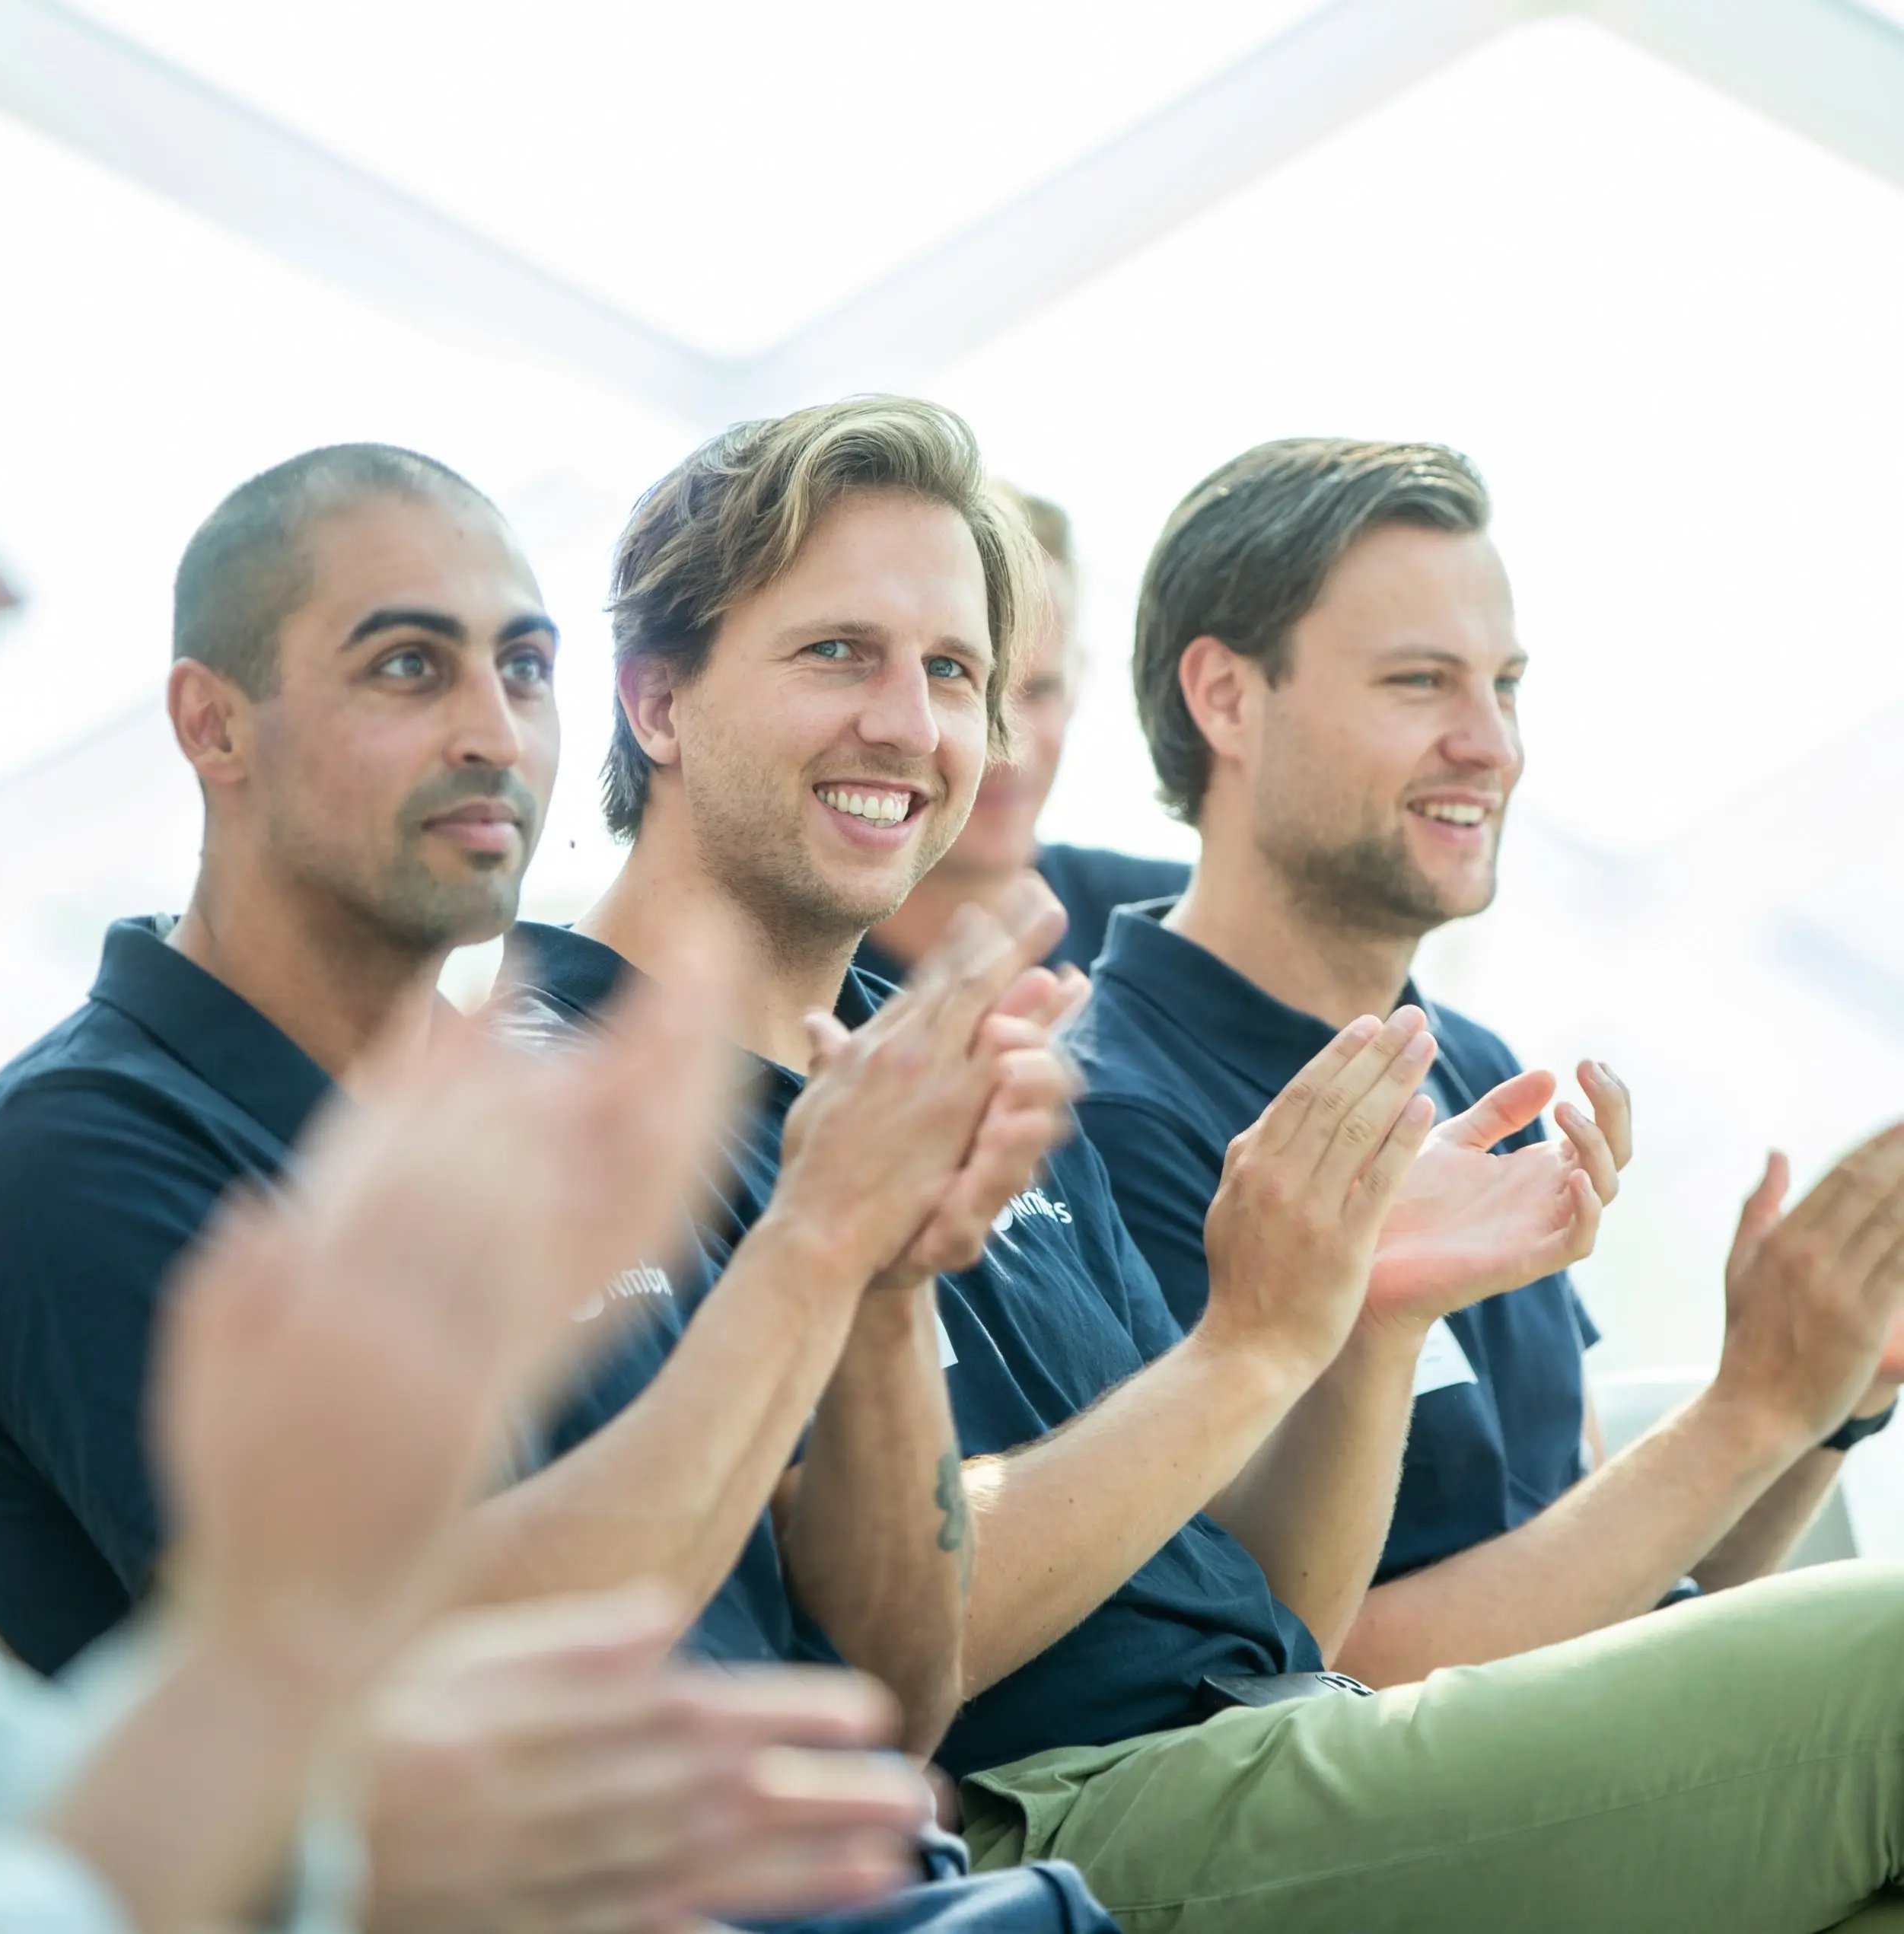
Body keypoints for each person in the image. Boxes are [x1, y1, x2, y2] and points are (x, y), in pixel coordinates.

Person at [524, 390, 1904, 1934]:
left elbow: (1274, 1628)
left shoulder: (971, 1066)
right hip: (1047, 1817)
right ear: (654, 701)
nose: (911, 723)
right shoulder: (545, 1103)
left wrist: (1350, 1317)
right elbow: (850, 1645)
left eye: (955, 673)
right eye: (837, 651)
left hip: (1254, 1747)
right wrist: (1255, 1345)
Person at [0, 513, 968, 1934]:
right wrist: (816, 1246)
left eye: (524, 667)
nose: (494, 733)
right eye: (405, 668)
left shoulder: (528, 1106)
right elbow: (383, 1683)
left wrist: (886, 1275)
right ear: (212, 724)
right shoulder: (66, 1151)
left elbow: (890, 1694)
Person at [1069, 435, 1904, 1688]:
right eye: (1419, 683)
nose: (1490, 746)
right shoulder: (1113, 1120)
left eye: (1502, 686)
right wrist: (1746, 1412)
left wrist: (1817, 1399)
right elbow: (1320, 1667)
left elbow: (1600, 1589)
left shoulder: (1472, 1067)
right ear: (1225, 698)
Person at [854, 489, 1186, 983]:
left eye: (1039, 691)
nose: (1010, 749)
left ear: (1078, 685)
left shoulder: (1177, 926)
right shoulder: (777, 981)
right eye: (957, 680)